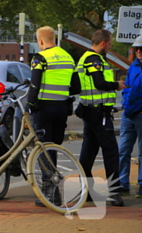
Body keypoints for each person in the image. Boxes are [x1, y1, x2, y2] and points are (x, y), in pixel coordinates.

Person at [27, 26, 78, 207]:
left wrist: (29, 106)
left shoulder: (40, 58)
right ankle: (55, 191)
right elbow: (76, 87)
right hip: (62, 109)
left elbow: (34, 85)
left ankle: (50, 193)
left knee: (42, 149)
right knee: (53, 148)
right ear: (53, 39)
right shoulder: (68, 57)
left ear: (40, 41)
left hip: (44, 109)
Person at [75, 29, 126, 206]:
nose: (110, 48)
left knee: (88, 153)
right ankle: (115, 192)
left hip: (91, 111)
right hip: (97, 113)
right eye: (110, 44)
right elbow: (100, 83)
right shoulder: (93, 59)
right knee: (111, 151)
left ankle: (86, 189)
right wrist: (117, 85)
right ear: (103, 43)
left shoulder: (89, 58)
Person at [118, 35, 142, 198]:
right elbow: (127, 87)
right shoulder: (134, 66)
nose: (139, 51)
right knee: (123, 150)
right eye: (137, 49)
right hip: (129, 114)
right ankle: (122, 183)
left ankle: (141, 184)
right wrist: (125, 103)